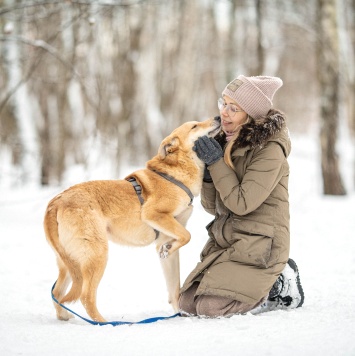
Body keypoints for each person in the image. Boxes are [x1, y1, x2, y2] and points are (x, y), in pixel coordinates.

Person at [179, 75, 304, 317]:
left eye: (233, 108)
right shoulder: (228, 141)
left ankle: (279, 284)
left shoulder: (270, 149)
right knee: (186, 303)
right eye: (223, 103)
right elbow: (212, 206)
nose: (224, 113)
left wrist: (215, 163)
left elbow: (241, 203)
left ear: (250, 115)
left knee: (210, 307)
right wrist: (206, 174)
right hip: (230, 242)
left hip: (262, 247)